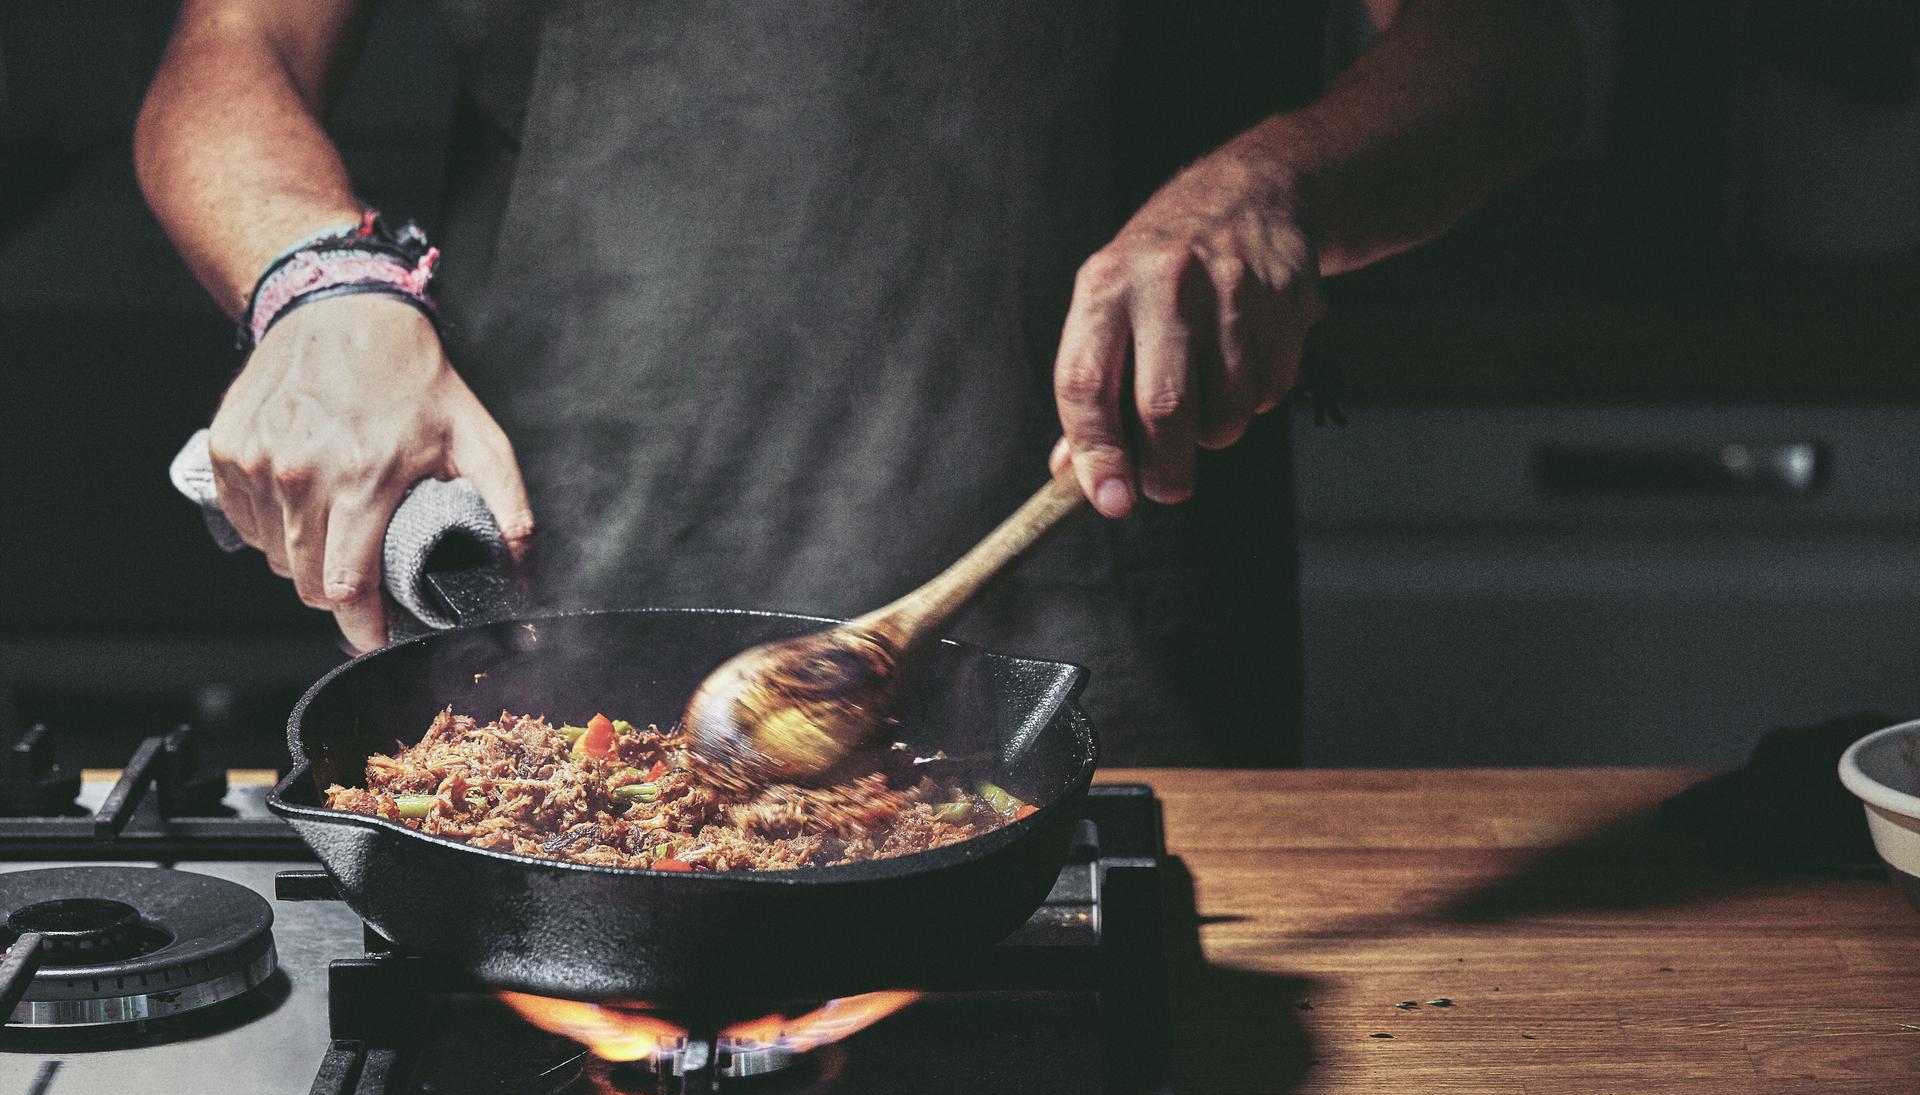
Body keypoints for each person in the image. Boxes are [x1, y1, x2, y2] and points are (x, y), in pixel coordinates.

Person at [136, 1, 1598, 765]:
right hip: (553, 632)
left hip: (1095, 645)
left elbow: (1505, 48)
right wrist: (319, 288)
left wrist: (1274, 186)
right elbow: (232, 46)